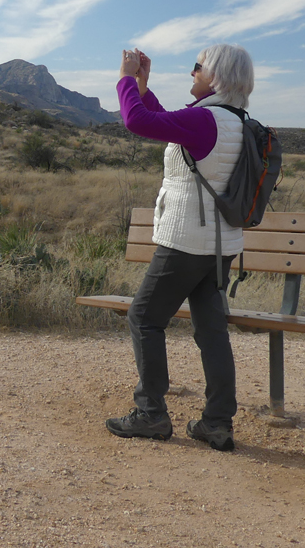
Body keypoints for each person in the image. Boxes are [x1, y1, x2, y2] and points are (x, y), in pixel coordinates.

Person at [104, 44, 255, 452]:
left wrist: (123, 77)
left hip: (186, 240)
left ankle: (151, 413)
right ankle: (217, 423)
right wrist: (142, 83)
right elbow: (165, 122)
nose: (192, 74)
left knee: (144, 318)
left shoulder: (205, 121)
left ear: (217, 76)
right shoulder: (236, 122)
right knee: (211, 330)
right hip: (222, 246)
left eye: (197, 67)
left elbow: (137, 120)